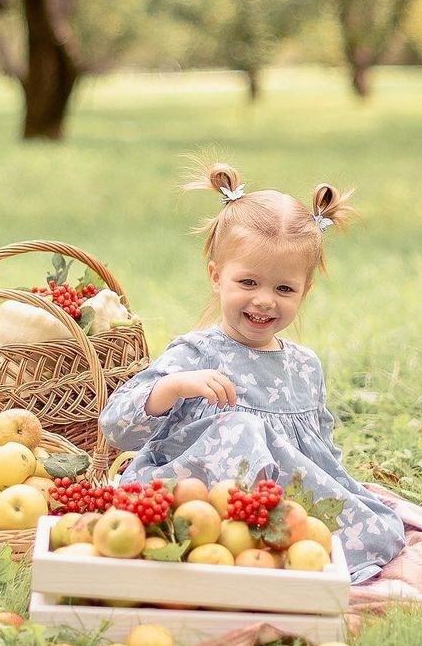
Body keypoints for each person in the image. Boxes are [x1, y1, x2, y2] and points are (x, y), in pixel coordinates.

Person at [98, 161, 405, 583]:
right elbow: (117, 426)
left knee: (378, 528)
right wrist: (173, 387)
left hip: (286, 508)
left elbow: (320, 450)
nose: (264, 301)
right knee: (238, 427)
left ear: (304, 290)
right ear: (216, 276)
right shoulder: (196, 352)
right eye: (248, 283)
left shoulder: (303, 365)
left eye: (283, 289)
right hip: (199, 504)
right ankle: (230, 552)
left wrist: (343, 491)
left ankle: (281, 557)